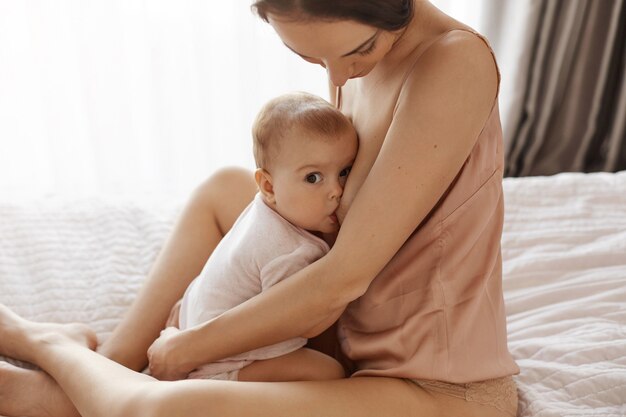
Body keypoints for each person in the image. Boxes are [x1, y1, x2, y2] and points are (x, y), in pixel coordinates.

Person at [0, 1, 520, 417]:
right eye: (314, 61)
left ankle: (51, 348)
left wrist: (191, 346)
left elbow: (343, 278)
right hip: (346, 330)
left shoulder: (454, 62)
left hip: (434, 387)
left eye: (358, 50)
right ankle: (113, 363)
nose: (340, 75)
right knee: (225, 190)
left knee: (163, 412)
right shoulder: (353, 51)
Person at [168, 92, 355, 382]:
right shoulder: (290, 251)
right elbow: (307, 324)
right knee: (328, 371)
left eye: (344, 172)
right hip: (221, 361)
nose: (337, 190)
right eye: (313, 178)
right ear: (268, 185)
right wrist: (350, 285)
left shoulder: (265, 211)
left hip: (194, 315)